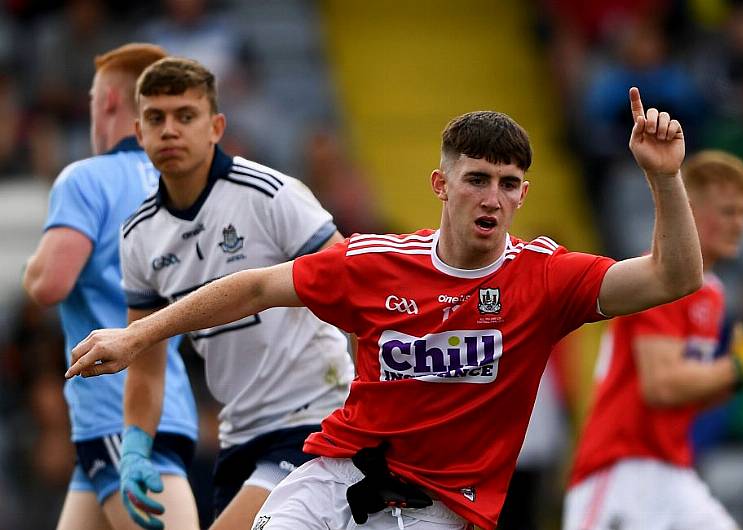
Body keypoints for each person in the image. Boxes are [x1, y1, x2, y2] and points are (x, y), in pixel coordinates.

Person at [68, 87, 702, 530]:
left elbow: (674, 276)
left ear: (522, 195)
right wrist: (137, 336)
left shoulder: (545, 276)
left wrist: (665, 178)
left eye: (508, 184)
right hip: (337, 471)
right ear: (441, 185)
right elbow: (258, 286)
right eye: (477, 178)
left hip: (440, 507)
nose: (493, 196)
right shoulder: (373, 262)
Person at [113, 57, 354, 530]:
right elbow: (145, 358)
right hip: (239, 436)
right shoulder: (138, 235)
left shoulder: (269, 194)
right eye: (156, 119)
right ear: (138, 132)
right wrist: (136, 446)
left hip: (316, 421)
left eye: (185, 116)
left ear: (216, 126)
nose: (169, 130)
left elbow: (356, 285)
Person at [563, 150, 743, 530]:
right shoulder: (656, 279)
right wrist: (738, 366)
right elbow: (660, 386)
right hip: (622, 468)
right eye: (728, 212)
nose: (740, 224)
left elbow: (690, 397)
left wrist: (740, 375)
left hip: (671, 468)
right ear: (690, 210)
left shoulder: (713, 293)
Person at [22, 43, 199, 530]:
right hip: (168, 405)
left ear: (108, 103)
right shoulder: (179, 187)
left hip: (120, 415)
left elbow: (48, 284)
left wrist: (31, 269)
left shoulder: (87, 179)